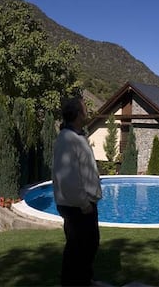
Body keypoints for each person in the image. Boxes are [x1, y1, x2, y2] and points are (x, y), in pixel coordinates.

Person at [52, 96, 102, 286]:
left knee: (87, 245)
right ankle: (73, 282)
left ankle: (84, 280)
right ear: (78, 114)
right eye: (84, 109)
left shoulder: (76, 136)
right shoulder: (67, 139)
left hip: (82, 204)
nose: (87, 112)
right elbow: (68, 176)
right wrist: (84, 204)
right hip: (77, 205)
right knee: (78, 247)